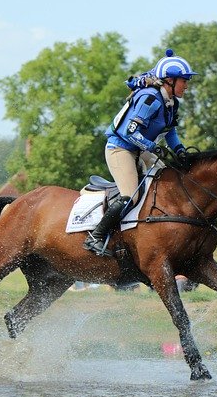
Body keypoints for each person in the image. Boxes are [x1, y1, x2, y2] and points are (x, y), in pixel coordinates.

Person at [83, 49, 197, 256]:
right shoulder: (150, 98)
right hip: (121, 149)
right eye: (184, 81)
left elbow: (170, 132)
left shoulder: (172, 103)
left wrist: (180, 151)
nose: (187, 85)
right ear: (169, 81)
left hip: (140, 149)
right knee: (130, 196)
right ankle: (96, 237)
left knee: (169, 182)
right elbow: (130, 132)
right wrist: (153, 147)